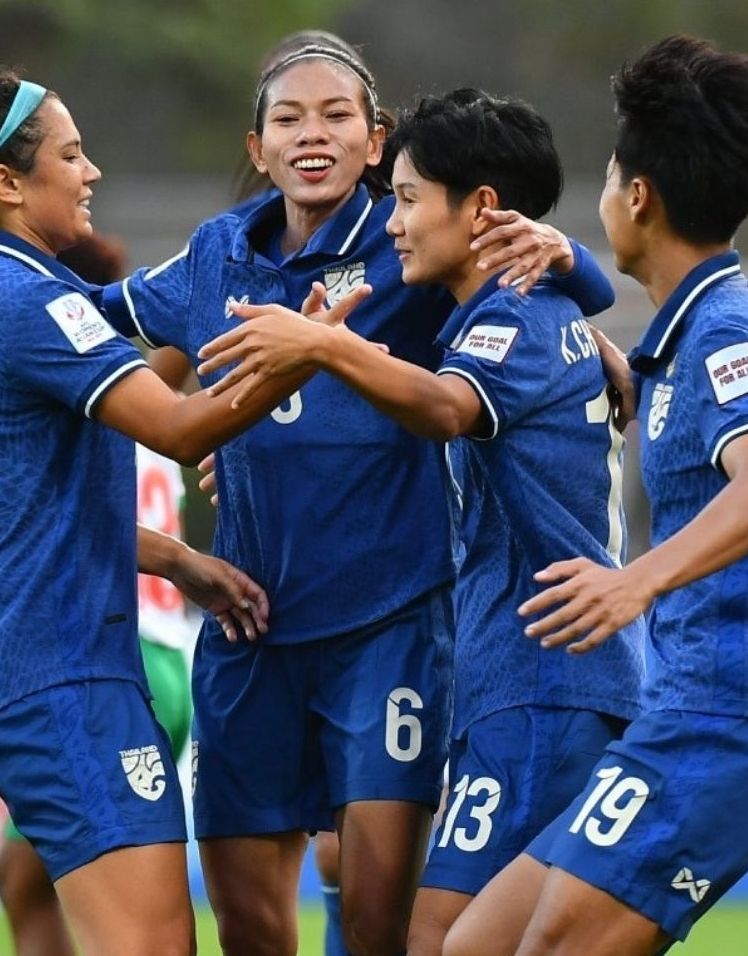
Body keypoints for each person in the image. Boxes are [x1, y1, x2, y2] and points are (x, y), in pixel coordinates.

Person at [97, 41, 619, 956]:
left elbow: (544, 290)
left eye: (336, 116)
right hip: (249, 622)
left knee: (384, 924)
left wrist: (578, 281)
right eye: (288, 119)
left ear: (374, 141)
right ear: (255, 147)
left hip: (390, 620)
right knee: (252, 930)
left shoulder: (412, 240)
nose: (312, 135)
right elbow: (89, 329)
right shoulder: (218, 254)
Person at [0, 67, 373, 954]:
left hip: (44, 668)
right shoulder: (22, 300)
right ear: (6, 183)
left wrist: (177, 560)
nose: (92, 173)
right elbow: (186, 432)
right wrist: (316, 347)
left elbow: (32, 513)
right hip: (62, 678)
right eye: (73, 155)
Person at [444, 35, 748, 956]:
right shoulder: (687, 331)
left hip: (732, 712)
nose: (603, 199)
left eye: (610, 180)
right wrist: (613, 358)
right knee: (471, 945)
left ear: (639, 196)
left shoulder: (728, 330)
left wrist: (634, 582)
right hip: (685, 704)